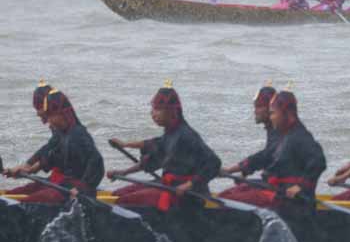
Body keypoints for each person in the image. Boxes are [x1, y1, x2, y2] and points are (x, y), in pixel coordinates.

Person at [106, 82, 221, 211]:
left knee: (123, 201)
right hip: (168, 185)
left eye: (158, 109)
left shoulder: (187, 136)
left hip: (189, 196)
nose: (152, 114)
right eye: (153, 109)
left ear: (172, 111)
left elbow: (214, 163)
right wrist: (123, 171)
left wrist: (188, 185)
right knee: (117, 194)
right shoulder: (170, 134)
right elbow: (153, 152)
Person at [218, 91, 327, 214]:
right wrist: (236, 170)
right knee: (228, 193)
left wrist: (301, 186)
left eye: (273, 113)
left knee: (227, 200)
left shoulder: (299, 136)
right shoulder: (286, 135)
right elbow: (265, 157)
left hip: (289, 201)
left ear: (287, 113)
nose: (271, 118)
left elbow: (319, 161)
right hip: (276, 191)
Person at [5, 89, 104, 204]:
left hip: (76, 192)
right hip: (62, 185)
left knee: (30, 201)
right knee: (19, 192)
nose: (48, 122)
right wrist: (28, 169)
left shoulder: (79, 134)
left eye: (50, 116)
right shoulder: (63, 134)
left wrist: (81, 189)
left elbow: (98, 163)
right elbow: (51, 157)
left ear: (62, 114)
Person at [218, 87, 280, 199]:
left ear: (270, 109)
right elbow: (268, 158)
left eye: (259, 107)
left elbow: (266, 155)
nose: (255, 111)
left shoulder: (280, 131)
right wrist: (245, 172)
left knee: (228, 198)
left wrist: (230, 169)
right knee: (228, 193)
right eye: (255, 107)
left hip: (280, 189)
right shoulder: (274, 129)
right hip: (273, 183)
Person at [3, 81, 59, 195]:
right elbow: (50, 147)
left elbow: (56, 153)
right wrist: (27, 165)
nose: (43, 121)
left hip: (70, 186)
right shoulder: (58, 128)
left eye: (43, 115)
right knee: (12, 193)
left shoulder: (69, 128)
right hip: (56, 181)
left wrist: (30, 170)